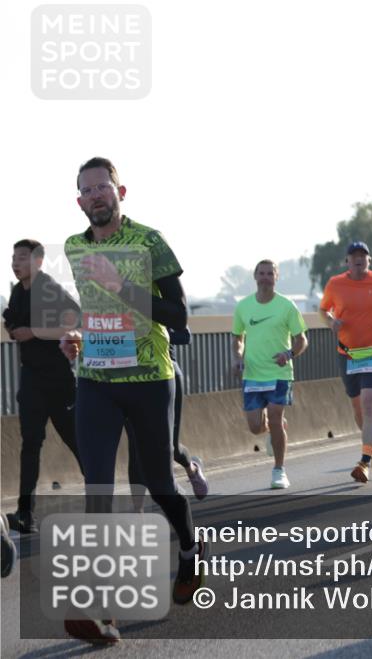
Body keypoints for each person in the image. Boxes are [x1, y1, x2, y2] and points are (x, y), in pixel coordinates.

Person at [59, 157, 205, 644]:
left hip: (148, 379)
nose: (97, 195)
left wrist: (122, 285)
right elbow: (96, 311)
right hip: (96, 380)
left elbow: (178, 316)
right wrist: (78, 336)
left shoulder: (148, 241)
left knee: (159, 483)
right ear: (79, 200)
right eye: (88, 190)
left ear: (122, 192)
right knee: (97, 487)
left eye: (104, 187)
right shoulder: (74, 247)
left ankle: (189, 548)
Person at [4, 240, 83, 534]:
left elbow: (77, 318)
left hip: (58, 381)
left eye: (22, 257)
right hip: (32, 380)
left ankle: (102, 504)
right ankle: (26, 514)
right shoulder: (17, 291)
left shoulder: (48, 288)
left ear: (37, 262)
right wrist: (13, 329)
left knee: (78, 442)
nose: (16, 262)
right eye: (14, 257)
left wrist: (34, 332)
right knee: (30, 444)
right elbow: (13, 323)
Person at [319, 241, 372, 483]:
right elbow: (324, 310)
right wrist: (331, 321)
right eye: (354, 256)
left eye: (363, 256)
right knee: (358, 411)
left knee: (369, 405)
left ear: (369, 260)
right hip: (348, 354)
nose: (358, 259)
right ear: (347, 261)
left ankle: (363, 463)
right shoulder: (335, 284)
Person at [232, 260, 308, 489]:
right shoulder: (243, 306)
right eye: (261, 273)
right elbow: (237, 338)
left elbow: (301, 339)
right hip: (253, 375)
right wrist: (238, 357)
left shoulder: (287, 306)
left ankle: (279, 470)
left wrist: (289, 353)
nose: (265, 277)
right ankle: (276, 428)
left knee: (274, 415)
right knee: (255, 426)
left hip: (279, 373)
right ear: (255, 276)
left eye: (270, 274)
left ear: (276, 277)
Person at [126, 327, 208, 508]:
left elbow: (185, 335)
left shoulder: (161, 301)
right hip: (128, 379)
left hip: (165, 376)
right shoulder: (117, 305)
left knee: (170, 446)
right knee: (135, 447)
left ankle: (191, 468)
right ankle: (137, 511)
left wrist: (150, 333)